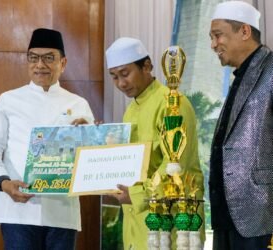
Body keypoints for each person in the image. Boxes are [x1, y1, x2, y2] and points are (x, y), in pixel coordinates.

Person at [0, 28, 94, 250]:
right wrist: (3, 182)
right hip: (18, 211)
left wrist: (89, 138)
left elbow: (88, 159)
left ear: (64, 63)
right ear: (27, 61)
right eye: (34, 58)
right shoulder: (9, 100)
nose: (40, 65)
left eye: (49, 58)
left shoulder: (79, 105)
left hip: (62, 211)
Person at [105, 37, 205, 250]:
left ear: (147, 66)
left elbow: (175, 165)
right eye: (114, 77)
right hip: (137, 226)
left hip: (173, 226)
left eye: (125, 74)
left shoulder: (172, 103)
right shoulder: (131, 110)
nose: (121, 83)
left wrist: (135, 195)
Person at [209, 1, 273, 249]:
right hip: (228, 219)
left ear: (244, 32)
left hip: (260, 218)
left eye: (218, 35)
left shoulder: (270, 70)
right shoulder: (242, 75)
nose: (214, 45)